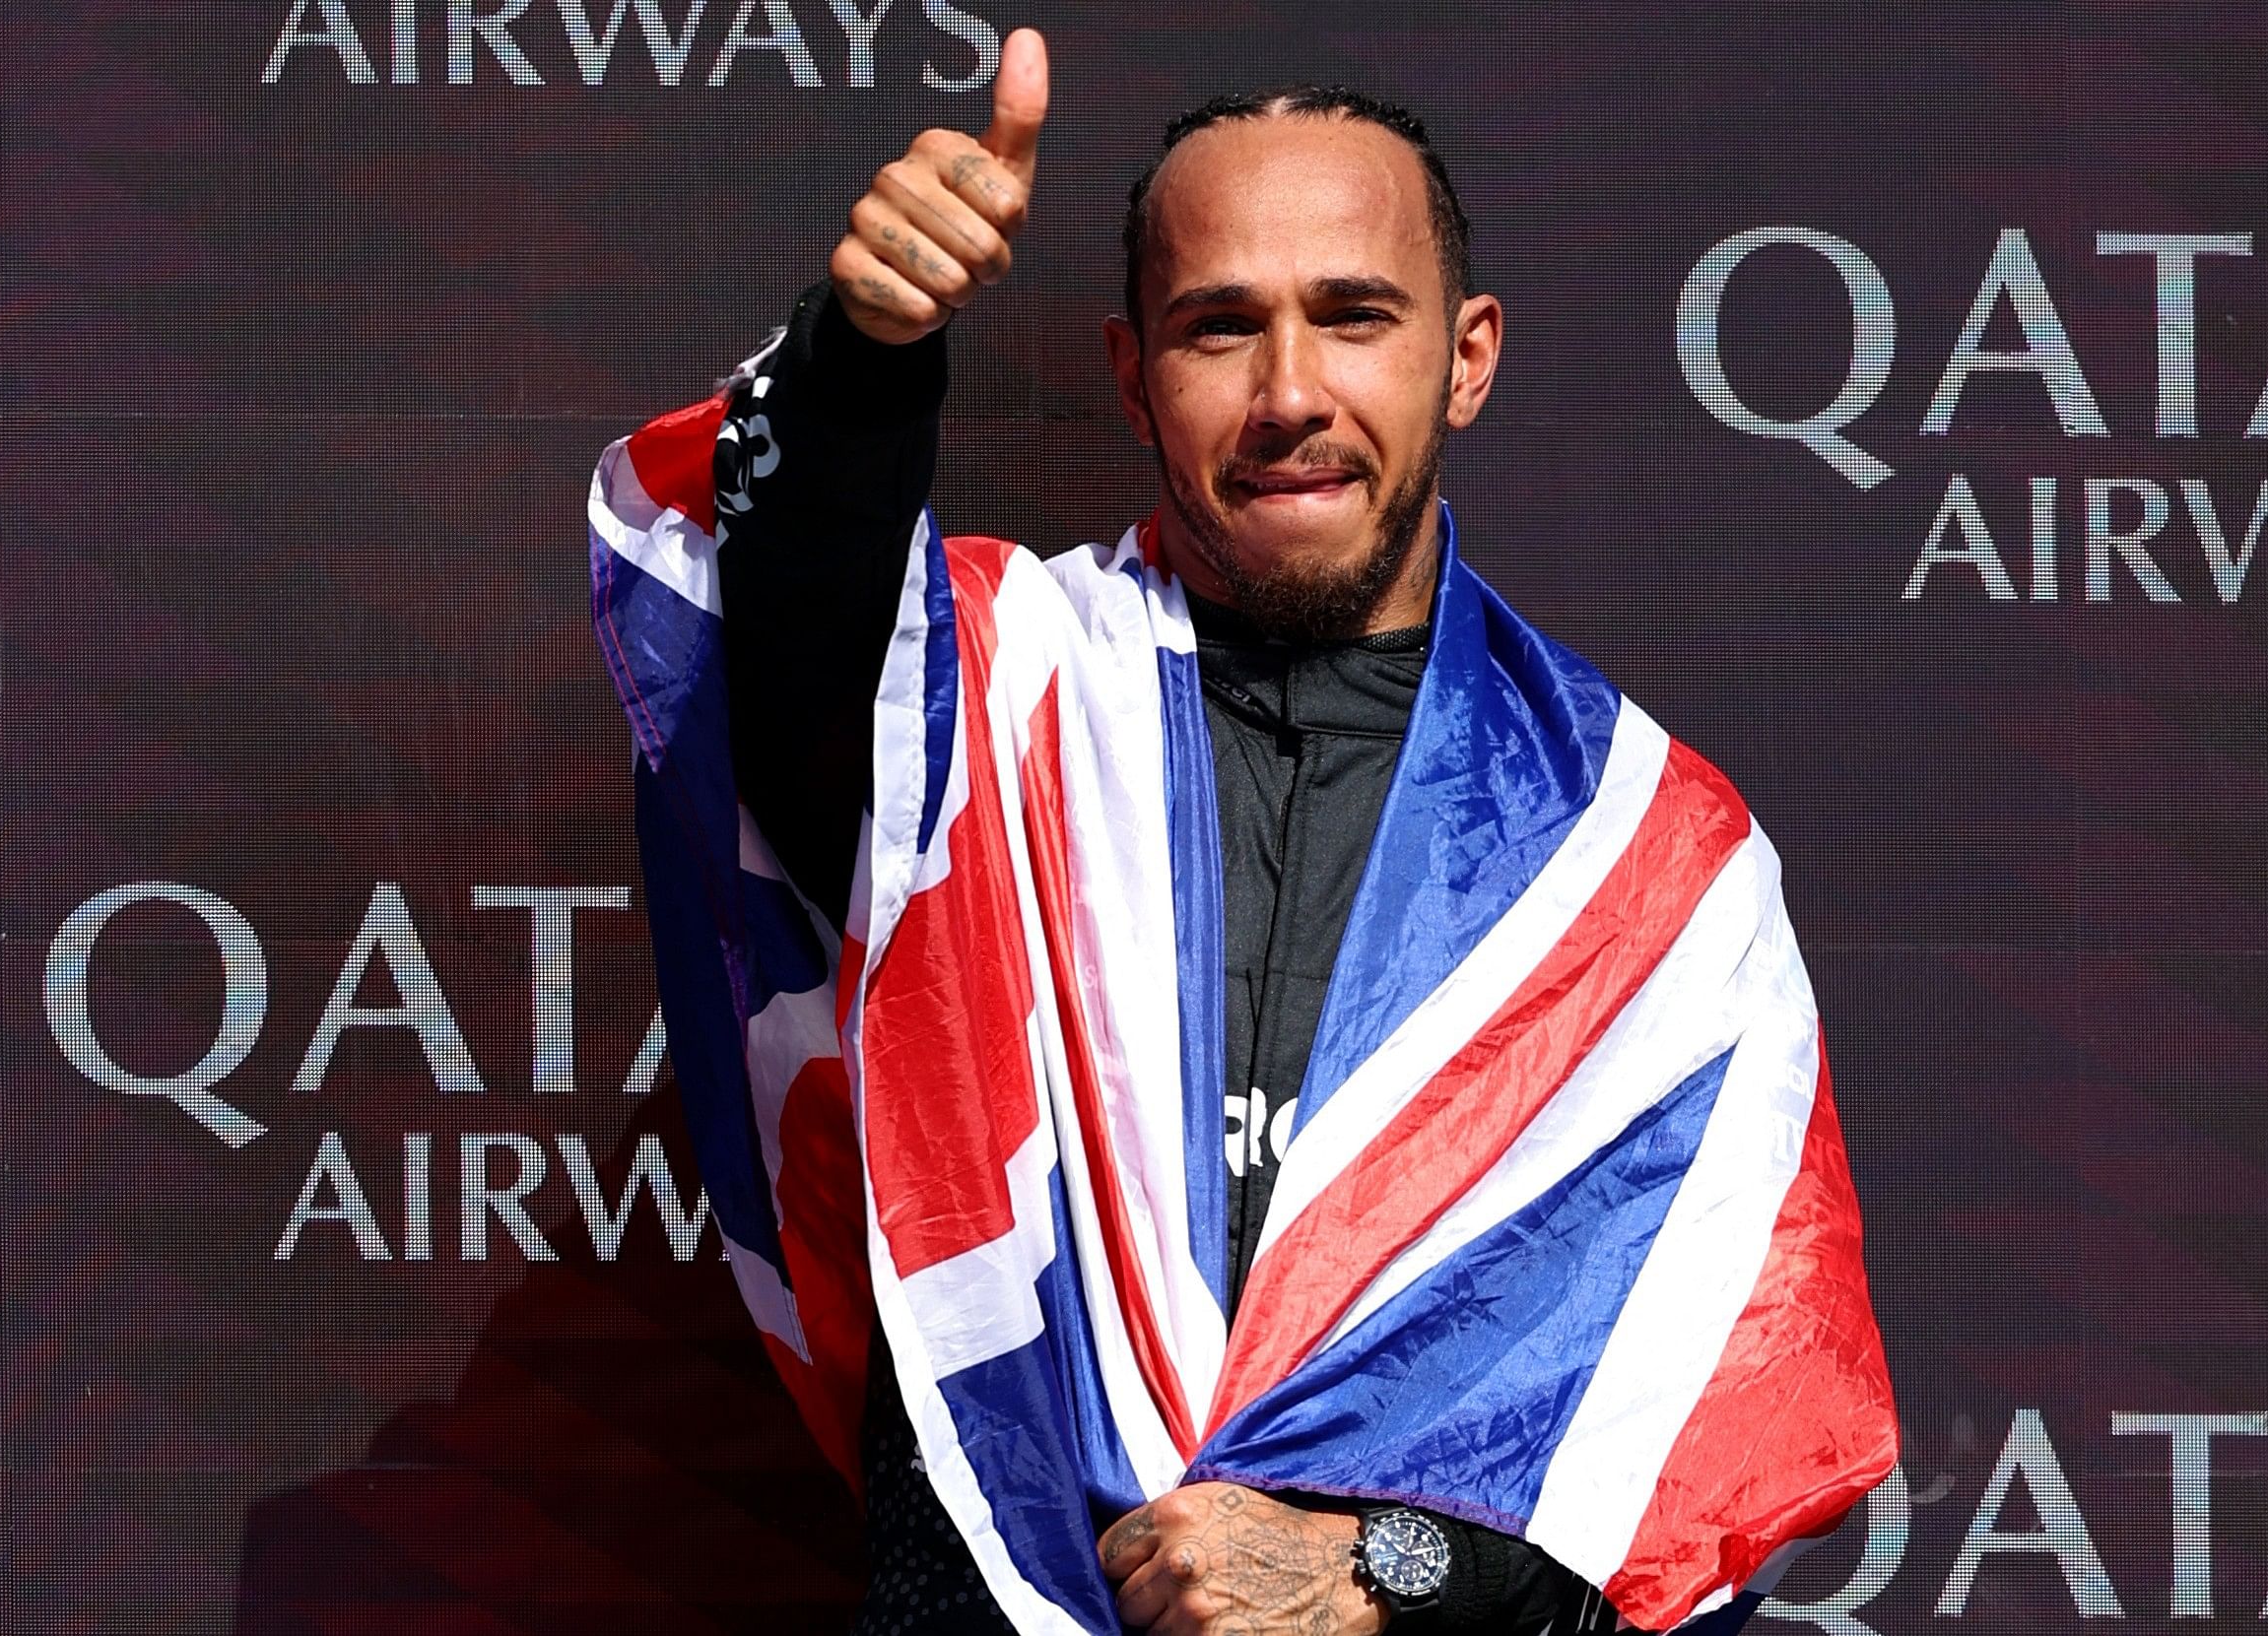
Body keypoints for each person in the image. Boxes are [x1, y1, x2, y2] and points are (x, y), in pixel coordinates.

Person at [598, 26, 1895, 1636]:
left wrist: (1372, 1577)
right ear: (1134, 374)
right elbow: (784, 652)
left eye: (1353, 316)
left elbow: (1705, 1443)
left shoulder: (1648, 856)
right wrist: (865, 351)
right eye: (1222, 329)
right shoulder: (986, 704)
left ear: (1467, 355)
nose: (1291, 395)